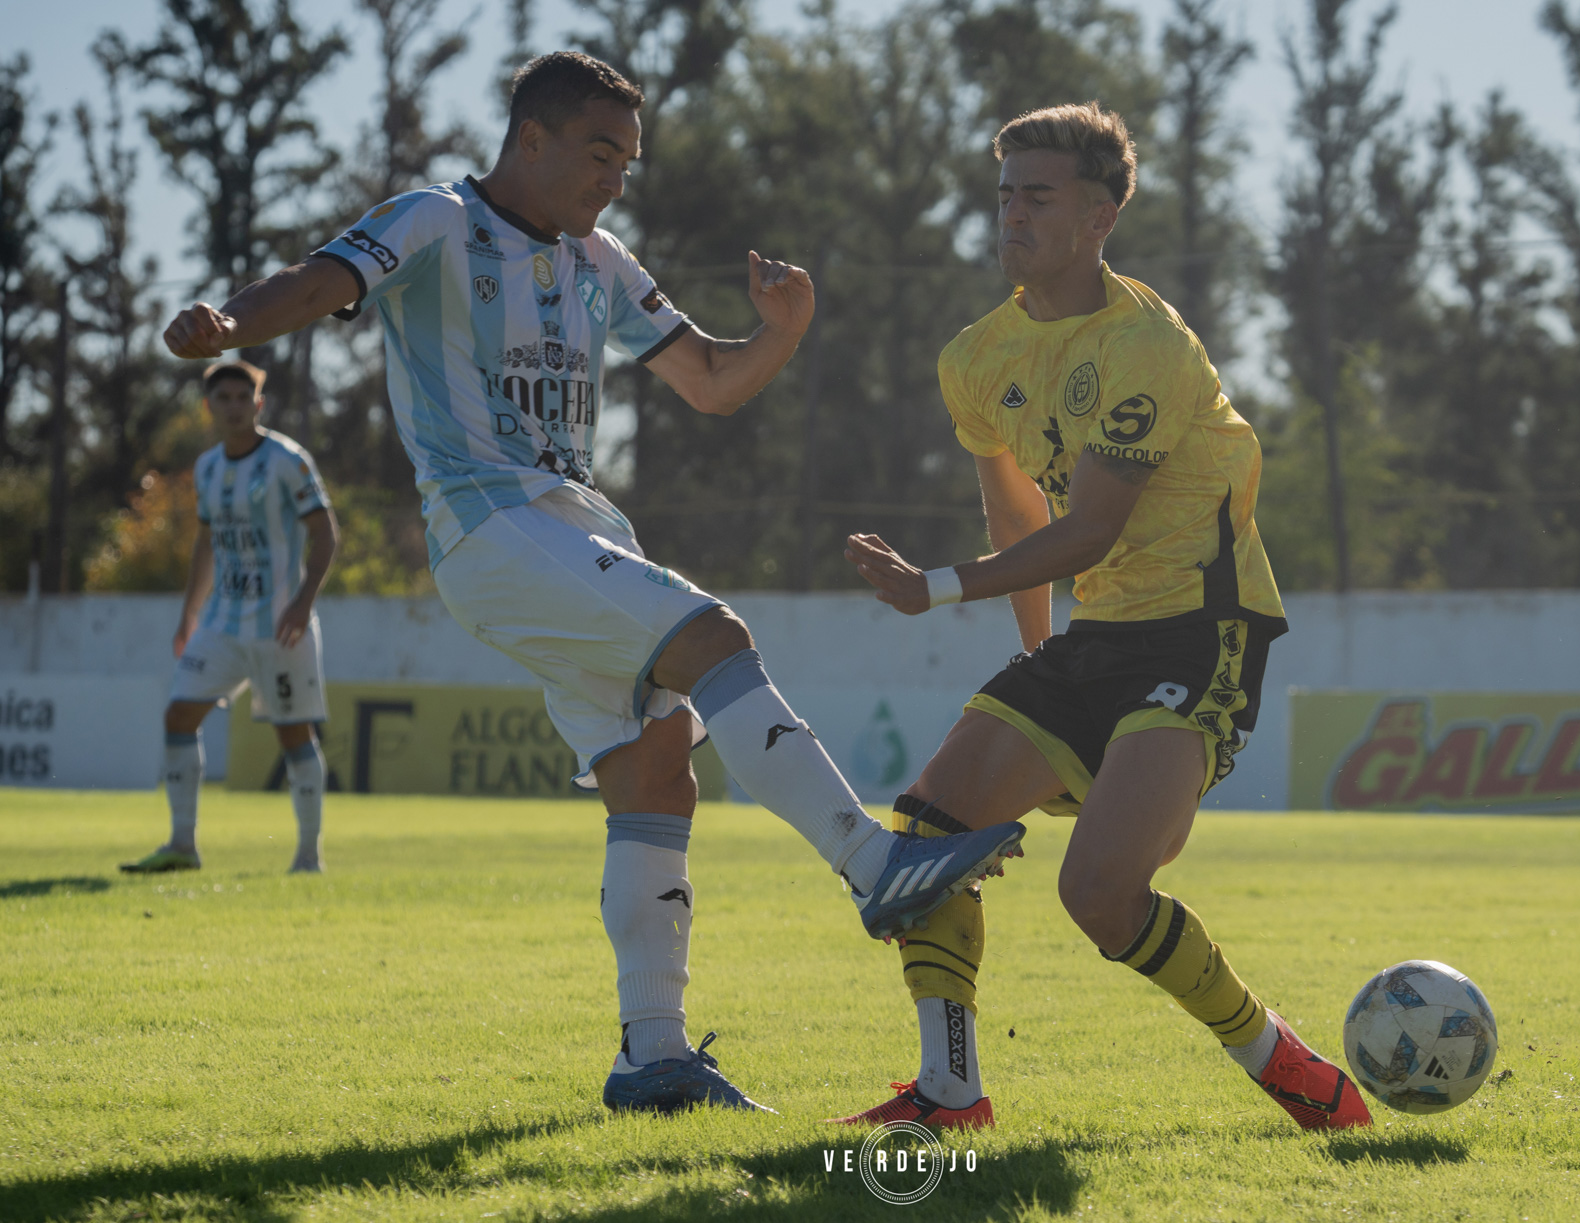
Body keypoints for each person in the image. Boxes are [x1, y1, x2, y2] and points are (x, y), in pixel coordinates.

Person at [160, 51, 1024, 1115]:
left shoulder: (600, 258)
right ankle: (868, 863)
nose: (616, 177)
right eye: (600, 152)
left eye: (629, 159)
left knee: (658, 772)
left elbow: (710, 379)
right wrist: (232, 324)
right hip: (490, 523)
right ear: (530, 137)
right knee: (713, 634)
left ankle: (651, 1056)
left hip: (566, 530)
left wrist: (785, 331)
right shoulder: (435, 220)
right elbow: (315, 282)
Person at [834, 102, 1371, 1131]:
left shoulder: (1147, 344)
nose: (1011, 216)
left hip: (1203, 631)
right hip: (1098, 639)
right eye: (1004, 196)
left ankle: (1283, 1061)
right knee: (932, 829)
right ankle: (949, 1093)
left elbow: (1087, 530)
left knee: (1103, 896)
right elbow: (1015, 512)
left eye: (1037, 196)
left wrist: (933, 586)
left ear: (1099, 214)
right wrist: (1041, 664)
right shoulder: (976, 356)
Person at [122, 359, 339, 876]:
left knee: (293, 736)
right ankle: (181, 844)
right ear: (209, 406)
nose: (236, 406)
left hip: (280, 626)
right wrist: (188, 615)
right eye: (225, 398)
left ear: (258, 404)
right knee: (178, 715)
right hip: (221, 622)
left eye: (245, 397)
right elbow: (206, 544)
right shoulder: (208, 467)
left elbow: (326, 532)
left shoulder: (288, 459)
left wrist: (304, 601)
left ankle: (309, 856)